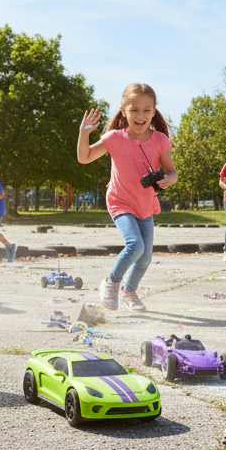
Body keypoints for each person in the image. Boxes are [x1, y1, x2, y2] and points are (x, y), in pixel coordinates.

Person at [76, 83, 177, 311]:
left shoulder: (160, 140)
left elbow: (171, 171)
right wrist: (84, 133)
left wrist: (170, 178)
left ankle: (130, 292)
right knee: (135, 246)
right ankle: (111, 282)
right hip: (120, 202)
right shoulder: (114, 138)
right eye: (134, 110)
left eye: (146, 110)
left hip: (145, 203)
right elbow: (84, 157)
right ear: (124, 111)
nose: (140, 115)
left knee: (145, 257)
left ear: (153, 111)